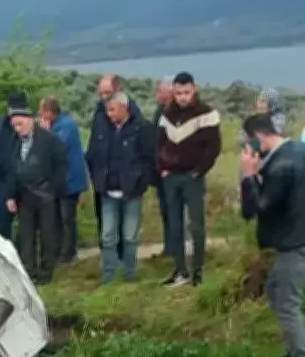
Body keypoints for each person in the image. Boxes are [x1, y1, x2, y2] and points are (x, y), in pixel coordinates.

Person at [239, 113, 305, 357]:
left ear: (257, 137)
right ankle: (294, 351)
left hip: (293, 241)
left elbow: (258, 208)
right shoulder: (298, 151)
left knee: (287, 303)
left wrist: (249, 177)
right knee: (278, 293)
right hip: (296, 235)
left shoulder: (279, 165)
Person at [157, 71, 222, 287]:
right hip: (171, 177)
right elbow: (157, 144)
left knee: (196, 226)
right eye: (178, 93)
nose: (182, 97)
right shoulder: (167, 115)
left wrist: (199, 171)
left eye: (186, 92)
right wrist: (163, 168)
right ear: (173, 92)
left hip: (193, 176)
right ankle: (179, 271)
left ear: (194, 89)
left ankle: (198, 272)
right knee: (174, 226)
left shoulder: (207, 114)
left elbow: (213, 148)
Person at [86, 93, 155, 284]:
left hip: (132, 192)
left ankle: (129, 274)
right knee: (107, 235)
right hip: (108, 190)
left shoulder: (141, 128)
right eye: (107, 110)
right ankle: (109, 274)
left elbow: (149, 159)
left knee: (130, 235)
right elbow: (92, 155)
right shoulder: (103, 129)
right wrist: (98, 180)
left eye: (112, 109)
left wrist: (141, 183)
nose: (108, 114)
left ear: (125, 108)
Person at [5, 103, 68, 285]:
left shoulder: (49, 139)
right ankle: (29, 270)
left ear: (30, 120)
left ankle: (46, 271)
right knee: (26, 234)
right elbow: (11, 169)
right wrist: (10, 196)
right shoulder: (14, 141)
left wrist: (53, 189)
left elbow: (62, 165)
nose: (17, 129)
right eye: (14, 125)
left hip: (46, 194)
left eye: (20, 124)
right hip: (24, 194)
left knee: (48, 234)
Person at [91, 74, 144, 259]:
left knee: (128, 228)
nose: (104, 96)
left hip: (128, 182)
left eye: (108, 92)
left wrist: (139, 181)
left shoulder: (134, 116)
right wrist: (96, 175)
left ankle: (126, 264)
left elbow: (143, 154)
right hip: (104, 179)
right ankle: (109, 265)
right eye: (101, 93)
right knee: (106, 226)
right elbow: (94, 146)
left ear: (118, 91)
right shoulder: (99, 112)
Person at [38, 96, 88, 263]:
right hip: (58, 180)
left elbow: (57, 147)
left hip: (70, 179)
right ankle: (58, 251)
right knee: (56, 218)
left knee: (67, 218)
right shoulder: (55, 125)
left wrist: (45, 133)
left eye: (42, 112)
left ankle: (70, 252)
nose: (40, 115)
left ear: (50, 112)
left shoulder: (67, 125)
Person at [0, 93, 21, 239]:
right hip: (0, 178)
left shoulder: (25, 127)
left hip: (20, 179)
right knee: (1, 219)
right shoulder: (0, 124)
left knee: (23, 223)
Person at [153, 77, 175, 256]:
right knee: (165, 209)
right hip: (160, 169)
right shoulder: (160, 111)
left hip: (173, 170)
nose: (157, 95)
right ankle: (169, 247)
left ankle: (176, 247)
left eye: (160, 91)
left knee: (174, 209)